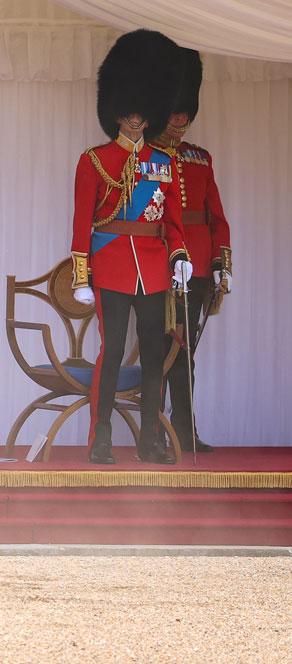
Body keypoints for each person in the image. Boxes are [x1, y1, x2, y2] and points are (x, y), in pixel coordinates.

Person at [70, 30, 192, 466]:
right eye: (129, 112)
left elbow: (172, 222)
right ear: (116, 112)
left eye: (143, 111)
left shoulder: (165, 163)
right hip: (113, 266)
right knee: (114, 348)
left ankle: (150, 440)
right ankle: (100, 437)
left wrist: (179, 257)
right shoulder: (95, 160)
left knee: (156, 352)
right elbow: (83, 222)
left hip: (155, 269)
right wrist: (82, 275)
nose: (136, 119)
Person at [154, 48, 232, 453]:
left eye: (185, 111)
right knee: (165, 353)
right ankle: (161, 432)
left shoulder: (200, 158)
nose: (180, 119)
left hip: (198, 269)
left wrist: (223, 263)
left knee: (185, 356)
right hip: (158, 266)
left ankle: (183, 431)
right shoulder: (145, 157)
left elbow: (217, 216)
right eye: (174, 110)